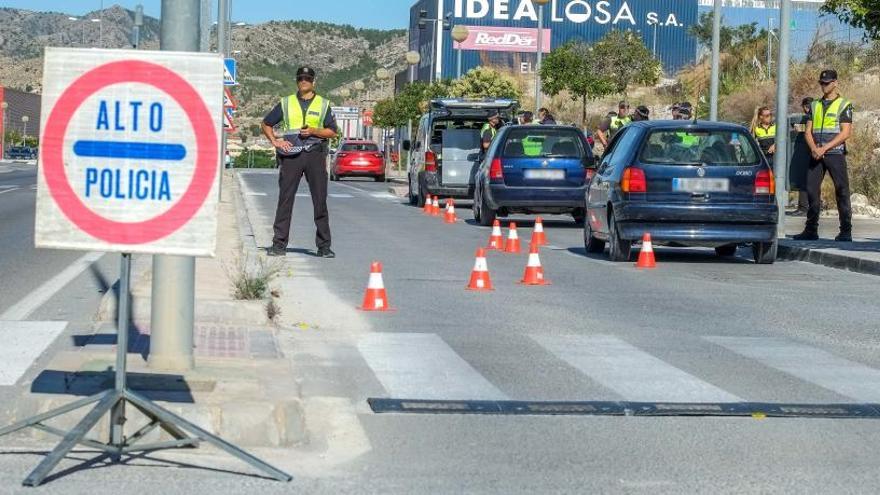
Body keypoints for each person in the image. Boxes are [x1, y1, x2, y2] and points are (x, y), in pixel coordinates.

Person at [261, 66, 338, 258]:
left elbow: (331, 131)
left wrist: (313, 131)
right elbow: (266, 123)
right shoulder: (286, 103)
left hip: (315, 155)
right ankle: (279, 245)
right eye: (301, 78)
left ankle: (324, 246)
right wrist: (275, 141)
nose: (304, 81)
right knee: (285, 200)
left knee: (319, 201)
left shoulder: (323, 104)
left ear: (314, 82)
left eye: (307, 79)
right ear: (297, 81)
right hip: (291, 156)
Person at [794, 69, 854, 242]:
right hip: (816, 154)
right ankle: (811, 230)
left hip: (834, 153)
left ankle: (846, 230)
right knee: (812, 191)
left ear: (835, 83)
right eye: (821, 83)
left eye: (826, 83)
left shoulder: (844, 104)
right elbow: (808, 132)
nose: (823, 86)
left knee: (841, 190)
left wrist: (824, 148)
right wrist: (814, 148)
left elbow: (845, 133)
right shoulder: (814, 105)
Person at [789, 97, 814, 216]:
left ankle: (804, 208)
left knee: (804, 180)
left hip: (808, 152)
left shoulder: (811, 116)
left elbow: (809, 130)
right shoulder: (813, 116)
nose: (807, 108)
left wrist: (799, 128)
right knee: (808, 180)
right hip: (811, 152)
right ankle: (808, 207)